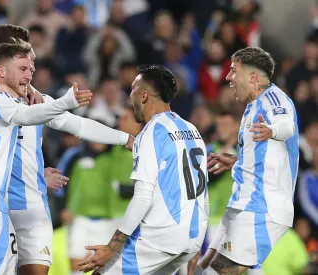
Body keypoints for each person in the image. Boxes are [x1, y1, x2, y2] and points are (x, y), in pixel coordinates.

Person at [0, 24, 133, 275]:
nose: (30, 64)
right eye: (23, 60)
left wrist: (125, 138)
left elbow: (78, 125)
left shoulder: (36, 100)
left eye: (31, 61)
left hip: (27, 204)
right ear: (1, 59)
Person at [79, 64, 209, 274]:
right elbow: (202, 191)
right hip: (191, 237)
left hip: (161, 237)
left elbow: (142, 197)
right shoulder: (191, 129)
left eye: (132, 89)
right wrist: (197, 242)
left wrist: (113, 247)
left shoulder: (151, 133)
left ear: (144, 95)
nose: (129, 96)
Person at [199, 47, 299, 275]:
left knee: (220, 271)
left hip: (262, 207)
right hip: (248, 204)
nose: (228, 77)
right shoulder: (252, 107)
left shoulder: (273, 99)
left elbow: (287, 126)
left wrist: (272, 130)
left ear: (253, 77)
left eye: (234, 71)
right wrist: (236, 161)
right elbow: (267, 157)